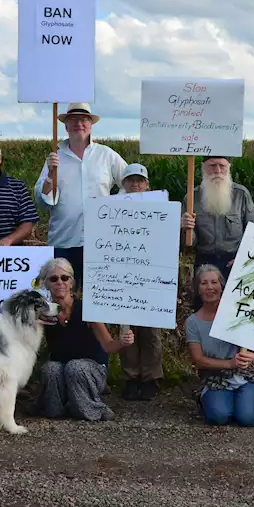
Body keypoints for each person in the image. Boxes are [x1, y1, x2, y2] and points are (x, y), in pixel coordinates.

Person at [35, 102, 128, 284]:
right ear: (66, 126)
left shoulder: (107, 155)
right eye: (74, 120)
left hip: (101, 242)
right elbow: (42, 201)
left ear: (91, 125)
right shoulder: (55, 158)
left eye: (84, 119)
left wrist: (115, 205)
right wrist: (50, 178)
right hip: (64, 241)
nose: (79, 123)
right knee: (63, 296)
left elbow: (130, 182)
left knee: (99, 295)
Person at [38, 258, 134, 421]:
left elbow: (108, 345)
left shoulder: (87, 309)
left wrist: (123, 341)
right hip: (61, 369)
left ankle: (95, 409)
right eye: (54, 279)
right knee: (51, 368)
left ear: (71, 282)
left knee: (75, 367)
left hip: (91, 368)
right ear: (46, 284)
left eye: (65, 278)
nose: (60, 282)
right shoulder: (44, 313)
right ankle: (56, 409)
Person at [185, 264, 254, 426]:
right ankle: (227, 402)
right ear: (198, 289)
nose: (210, 287)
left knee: (248, 418)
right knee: (219, 417)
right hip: (215, 377)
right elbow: (198, 360)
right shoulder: (192, 322)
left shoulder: (239, 310)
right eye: (204, 283)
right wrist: (229, 363)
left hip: (246, 374)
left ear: (222, 286)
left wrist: (253, 355)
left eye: (214, 282)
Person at [113, 163, 164, 400]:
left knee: (151, 330)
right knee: (127, 327)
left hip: (151, 273)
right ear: (123, 184)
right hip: (122, 274)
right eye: (131, 180)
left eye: (140, 180)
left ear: (147, 185)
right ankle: (131, 376)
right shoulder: (111, 207)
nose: (135, 184)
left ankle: (151, 377)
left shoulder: (159, 207)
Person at [181, 156, 254, 287]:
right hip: (204, 264)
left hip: (236, 262)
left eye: (222, 166)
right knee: (204, 307)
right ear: (203, 168)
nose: (217, 170)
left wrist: (244, 258)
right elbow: (190, 244)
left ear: (229, 168)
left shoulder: (241, 194)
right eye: (212, 166)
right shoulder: (192, 197)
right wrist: (185, 228)